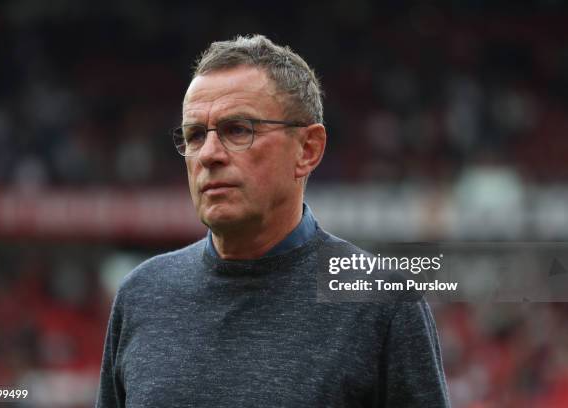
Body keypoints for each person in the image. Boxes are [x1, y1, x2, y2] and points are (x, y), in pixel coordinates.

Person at [96, 34, 450, 407]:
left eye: (238, 130)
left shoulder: (382, 302)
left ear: (307, 149)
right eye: (195, 135)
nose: (209, 155)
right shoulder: (141, 295)